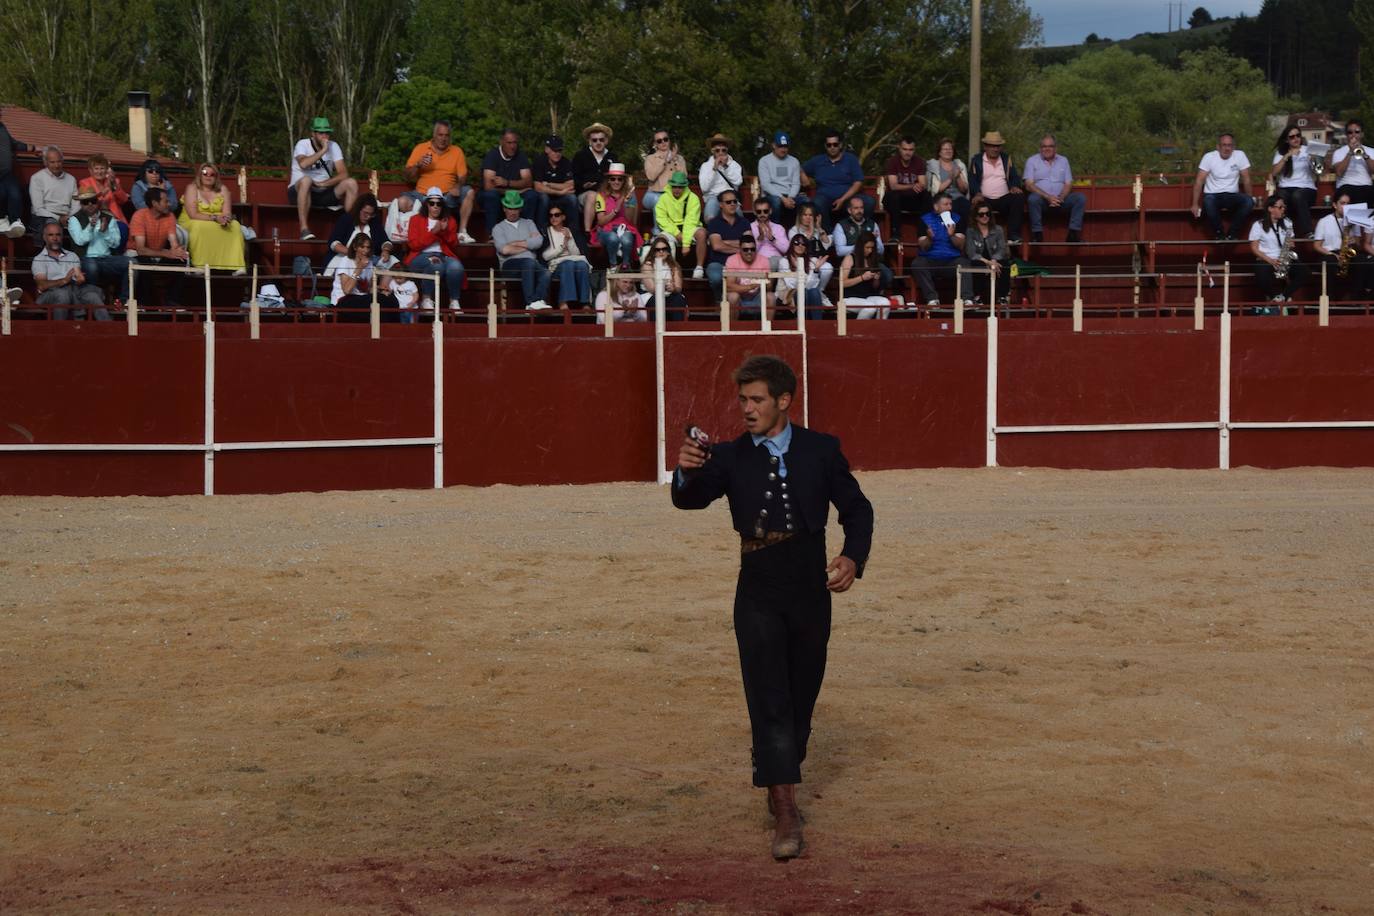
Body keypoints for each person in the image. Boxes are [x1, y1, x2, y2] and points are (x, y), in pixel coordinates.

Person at [671, 354, 873, 861]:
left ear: (784, 401)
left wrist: (853, 556)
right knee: (769, 696)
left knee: (802, 694)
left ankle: (777, 768)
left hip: (810, 584)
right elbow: (689, 501)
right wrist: (684, 471)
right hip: (758, 584)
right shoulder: (730, 456)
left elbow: (857, 508)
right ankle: (785, 806)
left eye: (757, 399)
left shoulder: (821, 450)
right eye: (742, 399)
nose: (747, 408)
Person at [403, 119, 478, 242]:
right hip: (423, 195)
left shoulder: (456, 151)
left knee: (469, 192)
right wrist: (418, 165)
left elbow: (463, 176)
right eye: (440, 135)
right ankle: (409, 236)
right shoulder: (421, 148)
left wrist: (458, 186)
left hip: (446, 197)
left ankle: (462, 232)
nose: (443, 139)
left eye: (446, 135)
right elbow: (406, 176)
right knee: (402, 202)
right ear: (434, 135)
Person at [288, 117, 359, 240]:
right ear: (313, 133)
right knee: (307, 180)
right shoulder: (302, 144)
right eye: (321, 133)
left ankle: (351, 228)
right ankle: (304, 229)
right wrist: (323, 151)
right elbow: (303, 164)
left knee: (351, 183)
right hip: (301, 191)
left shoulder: (334, 146)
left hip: (323, 190)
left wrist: (323, 184)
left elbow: (343, 174)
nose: (325, 136)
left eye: (327, 133)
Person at [405, 187, 466, 312]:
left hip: (444, 255)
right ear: (426, 204)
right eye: (432, 203)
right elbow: (414, 245)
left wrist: (444, 232)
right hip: (419, 256)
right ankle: (426, 298)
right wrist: (434, 233)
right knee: (436, 265)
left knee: (456, 267)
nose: (435, 206)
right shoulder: (415, 220)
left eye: (438, 203)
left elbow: (454, 244)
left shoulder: (450, 221)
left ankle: (454, 300)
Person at [33, 221, 108, 320]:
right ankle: (61, 328)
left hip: (74, 290)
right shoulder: (39, 259)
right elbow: (42, 285)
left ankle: (109, 329)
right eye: (51, 235)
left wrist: (80, 279)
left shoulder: (72, 256)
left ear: (62, 236)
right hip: (49, 294)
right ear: (44, 237)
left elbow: (77, 278)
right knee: (63, 293)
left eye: (58, 235)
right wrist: (64, 280)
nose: (55, 238)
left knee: (93, 296)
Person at [179, 162, 245, 272]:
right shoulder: (192, 188)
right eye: (205, 173)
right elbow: (193, 214)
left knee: (235, 226)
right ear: (199, 175)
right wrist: (215, 218)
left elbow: (227, 212)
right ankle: (199, 266)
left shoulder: (223, 189)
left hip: (217, 220)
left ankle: (236, 266)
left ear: (216, 177)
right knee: (198, 227)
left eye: (212, 174)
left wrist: (226, 219)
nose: (208, 176)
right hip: (194, 219)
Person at [128, 187, 188, 308]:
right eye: (165, 201)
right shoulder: (139, 216)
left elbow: (173, 243)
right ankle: (143, 303)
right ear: (155, 203)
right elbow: (141, 249)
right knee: (143, 263)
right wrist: (167, 253)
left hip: (157, 253)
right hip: (135, 253)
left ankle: (172, 301)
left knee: (180, 261)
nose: (169, 204)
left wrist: (178, 251)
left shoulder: (170, 216)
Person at [492, 189, 550, 311]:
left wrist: (516, 244)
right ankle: (530, 301)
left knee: (546, 272)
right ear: (504, 208)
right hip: (509, 265)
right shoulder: (498, 228)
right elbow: (505, 250)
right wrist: (528, 244)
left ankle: (537, 300)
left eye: (516, 208)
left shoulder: (529, 223)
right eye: (510, 208)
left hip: (531, 264)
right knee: (528, 263)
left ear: (520, 209)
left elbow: (539, 242)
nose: (513, 212)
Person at [68, 188, 131, 301]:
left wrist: (105, 232)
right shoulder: (74, 219)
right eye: (86, 202)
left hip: (107, 258)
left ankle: (124, 300)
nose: (90, 204)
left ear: (97, 201)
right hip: (85, 258)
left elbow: (116, 243)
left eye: (93, 200)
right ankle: (96, 299)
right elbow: (80, 240)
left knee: (131, 263)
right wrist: (91, 227)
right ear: (81, 204)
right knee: (92, 267)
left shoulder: (109, 218)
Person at [1023, 134, 1085, 243]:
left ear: (1055, 148)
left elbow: (1068, 183)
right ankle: (1037, 235)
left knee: (1080, 198)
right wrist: (1048, 197)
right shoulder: (1032, 161)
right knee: (1033, 199)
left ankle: (1073, 234)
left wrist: (1060, 198)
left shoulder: (1064, 160)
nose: (1047, 149)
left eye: (1050, 146)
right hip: (1042, 201)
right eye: (1044, 146)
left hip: (1061, 200)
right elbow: (1029, 184)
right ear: (1040, 148)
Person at [1190, 132, 1253, 240]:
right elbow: (1199, 181)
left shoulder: (1240, 155)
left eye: (1230, 145)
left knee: (1248, 201)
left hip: (1232, 195)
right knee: (1208, 201)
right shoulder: (1209, 157)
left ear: (1233, 147)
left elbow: (1246, 179)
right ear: (1218, 146)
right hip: (1213, 195)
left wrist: (1250, 198)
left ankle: (1232, 234)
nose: (1227, 148)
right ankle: (1219, 234)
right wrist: (1194, 204)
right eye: (1224, 145)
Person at [1248, 193, 1305, 310]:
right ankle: (1274, 297)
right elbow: (1254, 248)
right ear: (1270, 209)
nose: (1283, 209)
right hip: (1266, 259)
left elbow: (1291, 242)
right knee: (1261, 275)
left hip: (1283, 258)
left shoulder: (1288, 223)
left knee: (1304, 272)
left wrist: (1290, 246)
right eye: (1280, 207)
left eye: (1284, 207)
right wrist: (1271, 261)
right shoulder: (1258, 225)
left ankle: (1283, 296)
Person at [802, 130, 870, 229]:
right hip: (824, 198)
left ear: (840, 145)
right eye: (829, 145)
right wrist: (804, 178)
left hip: (848, 198)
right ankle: (828, 237)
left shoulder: (851, 159)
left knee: (869, 202)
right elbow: (798, 167)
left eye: (835, 144)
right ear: (825, 146)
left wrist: (842, 199)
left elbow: (858, 182)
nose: (832, 147)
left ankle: (861, 232)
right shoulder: (817, 161)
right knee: (817, 203)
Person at [325, 233, 399, 322]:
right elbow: (347, 290)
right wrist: (359, 268)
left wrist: (381, 290)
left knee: (390, 299)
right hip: (343, 300)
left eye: (368, 247)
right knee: (376, 301)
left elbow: (368, 289)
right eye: (362, 247)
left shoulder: (369, 264)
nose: (365, 250)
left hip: (362, 298)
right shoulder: (346, 261)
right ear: (355, 247)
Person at [911, 192, 968, 306]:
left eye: (950, 204)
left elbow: (961, 245)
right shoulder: (925, 220)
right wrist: (930, 238)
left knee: (964, 263)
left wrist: (952, 235)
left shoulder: (957, 219)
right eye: (946, 204)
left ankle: (967, 299)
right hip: (931, 260)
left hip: (952, 260)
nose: (949, 207)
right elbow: (923, 246)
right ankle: (932, 299)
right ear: (936, 206)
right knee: (917, 263)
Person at [1312, 191, 1371, 300]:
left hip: (1347, 252)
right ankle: (1331, 298)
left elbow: (1358, 246)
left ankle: (1355, 298)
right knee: (1330, 262)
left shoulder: (1354, 221)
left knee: (1362, 261)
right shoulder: (1324, 221)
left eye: (1348, 204)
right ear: (1335, 205)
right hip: (1330, 253)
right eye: (1342, 203)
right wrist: (1332, 254)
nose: (1345, 206)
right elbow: (1316, 246)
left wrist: (1354, 241)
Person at [968, 131, 1023, 244]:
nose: (995, 149)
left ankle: (1013, 235)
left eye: (997, 146)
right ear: (985, 147)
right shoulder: (977, 160)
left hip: (1004, 197)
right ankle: (978, 238)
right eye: (992, 146)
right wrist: (977, 193)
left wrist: (1014, 186)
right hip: (984, 199)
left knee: (1019, 197)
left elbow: (1014, 176)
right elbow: (972, 180)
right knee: (975, 204)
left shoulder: (1006, 159)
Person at [480, 129, 539, 233]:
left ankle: (528, 232)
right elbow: (489, 186)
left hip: (513, 193)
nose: (512, 146)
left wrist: (506, 183)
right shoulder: (492, 156)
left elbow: (528, 182)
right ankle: (492, 234)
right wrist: (516, 190)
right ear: (502, 142)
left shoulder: (521, 156)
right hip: (500, 194)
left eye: (515, 143)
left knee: (532, 195)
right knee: (490, 195)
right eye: (509, 143)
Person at [654, 170, 708, 279]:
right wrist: (677, 233)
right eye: (674, 186)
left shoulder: (693, 198)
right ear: (671, 186)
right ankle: (667, 271)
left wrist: (686, 244)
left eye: (680, 187)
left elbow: (691, 221)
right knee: (660, 239)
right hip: (672, 228)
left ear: (684, 187)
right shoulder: (663, 198)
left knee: (702, 233)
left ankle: (699, 268)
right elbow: (661, 219)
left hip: (690, 227)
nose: (677, 189)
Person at [541, 202, 591, 312]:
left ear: (563, 217)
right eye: (551, 215)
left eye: (557, 215)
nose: (553, 218)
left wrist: (569, 240)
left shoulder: (570, 231)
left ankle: (585, 302)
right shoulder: (546, 232)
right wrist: (561, 247)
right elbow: (545, 256)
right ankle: (563, 301)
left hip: (573, 260)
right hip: (555, 265)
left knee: (582, 265)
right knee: (568, 264)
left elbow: (576, 253)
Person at [1271, 124, 1317, 239]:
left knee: (1298, 196)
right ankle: (1282, 232)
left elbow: (1319, 171)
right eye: (1292, 137)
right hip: (1286, 188)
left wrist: (1313, 159)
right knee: (1280, 198)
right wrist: (1286, 157)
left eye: (1298, 135)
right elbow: (1274, 173)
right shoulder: (1281, 153)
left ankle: (1308, 232)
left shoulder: (1309, 150)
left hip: (1306, 189)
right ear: (1286, 140)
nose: (1296, 139)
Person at [963, 195, 1010, 305]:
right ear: (976, 217)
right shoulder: (970, 231)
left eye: (987, 214)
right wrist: (988, 262)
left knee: (1004, 264)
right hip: (980, 260)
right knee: (975, 264)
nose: (985, 216)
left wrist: (993, 260)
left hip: (994, 259)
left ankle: (1003, 296)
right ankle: (977, 296)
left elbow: (1001, 249)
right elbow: (971, 252)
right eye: (981, 214)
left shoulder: (998, 229)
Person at [705, 190, 750, 302]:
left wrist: (725, 242)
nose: (732, 204)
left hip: (740, 263)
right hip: (718, 262)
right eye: (728, 202)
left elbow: (748, 244)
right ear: (721, 204)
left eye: (735, 201)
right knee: (715, 277)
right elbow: (716, 246)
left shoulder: (744, 222)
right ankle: (719, 300)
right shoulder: (714, 223)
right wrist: (739, 246)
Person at [593, 164, 640, 269]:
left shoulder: (630, 196)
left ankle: (626, 265)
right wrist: (615, 210)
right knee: (613, 238)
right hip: (606, 229)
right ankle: (613, 265)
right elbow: (601, 221)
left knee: (627, 240)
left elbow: (630, 220)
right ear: (608, 180)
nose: (616, 182)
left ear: (623, 181)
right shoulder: (601, 195)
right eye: (613, 179)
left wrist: (628, 203)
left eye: (620, 179)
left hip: (624, 227)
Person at [883, 136, 930, 242]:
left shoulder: (919, 162)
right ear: (899, 148)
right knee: (893, 196)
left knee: (927, 196)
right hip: (895, 199)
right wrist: (912, 185)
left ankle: (922, 234)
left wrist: (919, 186)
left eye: (910, 150)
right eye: (905, 149)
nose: (907, 153)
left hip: (911, 198)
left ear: (914, 150)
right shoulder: (893, 161)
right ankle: (896, 234)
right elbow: (893, 186)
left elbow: (923, 183)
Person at [532, 135, 579, 236]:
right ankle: (541, 229)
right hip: (546, 196)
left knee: (572, 198)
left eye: (560, 150)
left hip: (561, 196)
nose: (557, 153)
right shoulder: (539, 162)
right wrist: (559, 191)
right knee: (543, 198)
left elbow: (570, 185)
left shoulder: (566, 162)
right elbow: (538, 187)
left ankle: (574, 230)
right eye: (554, 150)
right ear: (547, 149)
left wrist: (549, 184)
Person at [27, 145, 78, 241]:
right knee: (52, 225)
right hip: (45, 216)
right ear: (46, 162)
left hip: (67, 216)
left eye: (59, 161)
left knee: (83, 224)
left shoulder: (71, 179)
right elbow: (38, 209)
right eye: (52, 162)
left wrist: (70, 217)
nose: (56, 165)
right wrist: (58, 218)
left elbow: (76, 203)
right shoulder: (37, 178)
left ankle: (79, 255)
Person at [573, 122, 615, 236]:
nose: (598, 143)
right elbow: (574, 178)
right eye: (595, 140)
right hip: (585, 194)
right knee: (592, 195)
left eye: (601, 139)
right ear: (589, 141)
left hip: (607, 193)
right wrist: (583, 185)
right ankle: (588, 232)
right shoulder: (580, 156)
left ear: (606, 140)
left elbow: (618, 177)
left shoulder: (612, 157)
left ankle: (624, 229)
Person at [758, 131, 806, 228]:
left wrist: (790, 198)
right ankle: (776, 230)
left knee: (806, 201)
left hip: (790, 195)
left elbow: (796, 183)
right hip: (771, 195)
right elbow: (765, 184)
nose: (783, 149)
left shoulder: (794, 161)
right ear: (774, 145)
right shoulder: (764, 161)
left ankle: (800, 232)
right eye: (780, 146)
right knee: (776, 202)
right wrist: (782, 198)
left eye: (786, 146)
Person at [0, 107, 35, 238]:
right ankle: (2, 220)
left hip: (6, 172)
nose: (0, 114)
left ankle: (15, 221)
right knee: (1, 194)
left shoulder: (2, 127)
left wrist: (30, 148)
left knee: (15, 193)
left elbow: (13, 143)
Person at [840, 231, 891, 319]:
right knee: (870, 307)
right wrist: (862, 278)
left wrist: (876, 279)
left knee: (885, 303)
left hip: (867, 296)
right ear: (860, 246)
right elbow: (842, 283)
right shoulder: (850, 258)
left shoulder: (872, 259)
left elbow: (875, 287)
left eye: (872, 248)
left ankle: (878, 330)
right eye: (867, 247)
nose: (870, 251)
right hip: (849, 297)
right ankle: (858, 332)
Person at [327, 193, 389, 263]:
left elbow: (386, 241)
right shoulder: (346, 219)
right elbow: (334, 243)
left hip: (369, 260)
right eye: (365, 213)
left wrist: (385, 250)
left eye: (371, 214)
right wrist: (353, 254)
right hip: (345, 257)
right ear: (358, 209)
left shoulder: (374, 222)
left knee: (390, 261)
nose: (368, 217)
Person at [775, 234, 825, 320]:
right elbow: (791, 285)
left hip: (806, 292)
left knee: (814, 291)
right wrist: (799, 268)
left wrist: (816, 270)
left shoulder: (812, 261)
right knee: (803, 292)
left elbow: (812, 286)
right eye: (797, 243)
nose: (800, 245)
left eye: (803, 244)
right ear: (792, 245)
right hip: (788, 294)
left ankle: (817, 324)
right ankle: (803, 324)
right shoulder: (784, 261)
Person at [1328, 119, 1374, 210]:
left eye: (1357, 132)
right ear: (1346, 135)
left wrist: (1365, 155)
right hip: (1346, 186)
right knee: (1350, 194)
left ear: (1362, 134)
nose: (1353, 135)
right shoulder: (1339, 152)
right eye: (1350, 132)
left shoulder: (1371, 151)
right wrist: (1350, 152)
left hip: (1366, 186)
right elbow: (1339, 173)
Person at [788, 203, 834, 295]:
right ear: (800, 216)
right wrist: (811, 231)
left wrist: (819, 227)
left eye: (810, 215)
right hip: (801, 260)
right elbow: (797, 248)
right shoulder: (794, 230)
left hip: (817, 259)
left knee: (828, 268)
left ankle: (820, 292)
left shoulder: (817, 230)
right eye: (805, 215)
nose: (808, 218)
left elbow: (827, 244)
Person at [699, 133, 744, 222]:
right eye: (717, 150)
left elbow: (738, 181)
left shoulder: (734, 165)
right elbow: (704, 188)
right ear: (712, 151)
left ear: (727, 150)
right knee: (709, 217)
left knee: (740, 219)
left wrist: (726, 167)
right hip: (713, 197)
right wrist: (714, 169)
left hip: (731, 196)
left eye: (723, 150)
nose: (720, 153)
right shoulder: (705, 166)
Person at [723, 233, 769, 318]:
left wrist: (766, 283)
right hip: (739, 297)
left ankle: (768, 330)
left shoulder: (764, 260)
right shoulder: (732, 260)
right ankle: (733, 329)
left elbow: (768, 286)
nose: (749, 252)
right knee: (733, 296)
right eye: (745, 249)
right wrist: (751, 286)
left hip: (757, 297)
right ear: (740, 250)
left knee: (771, 297)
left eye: (752, 249)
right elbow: (729, 286)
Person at [77, 154, 130, 226]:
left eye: (102, 168)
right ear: (90, 170)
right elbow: (90, 204)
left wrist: (114, 186)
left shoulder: (114, 181)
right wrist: (103, 193)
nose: (99, 172)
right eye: (96, 168)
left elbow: (124, 200)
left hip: (116, 218)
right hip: (95, 219)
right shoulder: (85, 183)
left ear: (107, 170)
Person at [927, 138, 970, 224]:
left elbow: (965, 190)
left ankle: (960, 234)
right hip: (941, 196)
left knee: (963, 204)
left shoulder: (959, 165)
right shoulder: (933, 165)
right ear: (939, 152)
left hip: (958, 197)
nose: (948, 151)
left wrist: (957, 177)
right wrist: (950, 178)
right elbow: (936, 190)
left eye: (950, 149)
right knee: (949, 205)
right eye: (945, 149)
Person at [645, 233, 688, 320]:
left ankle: (677, 330)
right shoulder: (647, 265)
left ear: (668, 251)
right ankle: (655, 330)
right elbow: (651, 288)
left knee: (678, 299)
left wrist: (673, 288)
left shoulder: (674, 266)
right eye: (658, 250)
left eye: (664, 249)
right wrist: (662, 286)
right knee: (656, 300)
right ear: (653, 252)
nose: (661, 252)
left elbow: (678, 287)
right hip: (653, 295)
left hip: (670, 294)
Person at [642, 129, 687, 214]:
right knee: (660, 200)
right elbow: (651, 177)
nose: (663, 142)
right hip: (653, 194)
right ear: (655, 144)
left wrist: (674, 159)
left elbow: (684, 177)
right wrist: (665, 161)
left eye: (665, 139)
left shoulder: (679, 158)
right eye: (659, 141)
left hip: (674, 195)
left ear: (669, 140)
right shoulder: (650, 158)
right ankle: (658, 228)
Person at [749, 199, 789, 270]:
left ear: (770, 211)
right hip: (758, 261)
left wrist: (772, 239)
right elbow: (749, 252)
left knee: (780, 263)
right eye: (759, 211)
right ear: (754, 212)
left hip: (777, 261)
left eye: (765, 211)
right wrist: (760, 238)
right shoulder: (750, 227)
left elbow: (786, 249)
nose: (762, 214)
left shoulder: (778, 228)